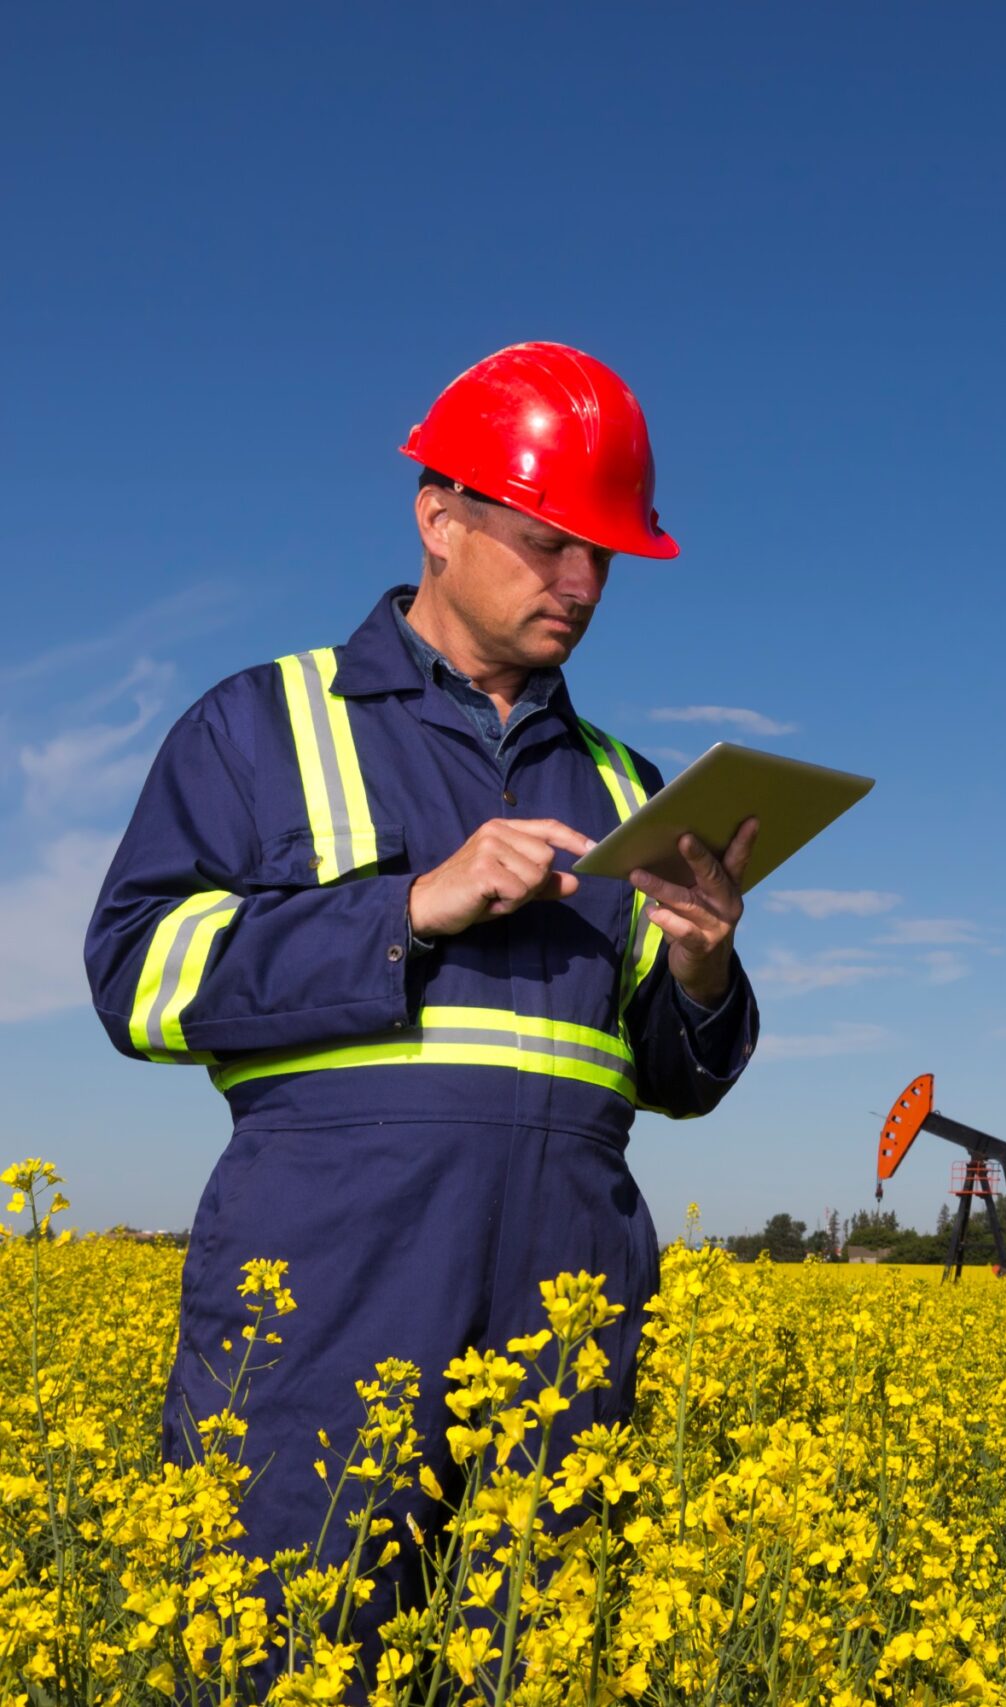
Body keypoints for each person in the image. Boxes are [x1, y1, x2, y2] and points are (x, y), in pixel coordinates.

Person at [83, 341, 759, 1631]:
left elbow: (669, 1079)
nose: (583, 583)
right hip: (323, 1338)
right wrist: (407, 910)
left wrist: (702, 964)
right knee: (277, 1655)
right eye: (549, 541)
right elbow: (137, 974)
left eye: (605, 556)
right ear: (438, 518)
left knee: (541, 1660)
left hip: (566, 1354)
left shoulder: (629, 785)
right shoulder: (263, 724)